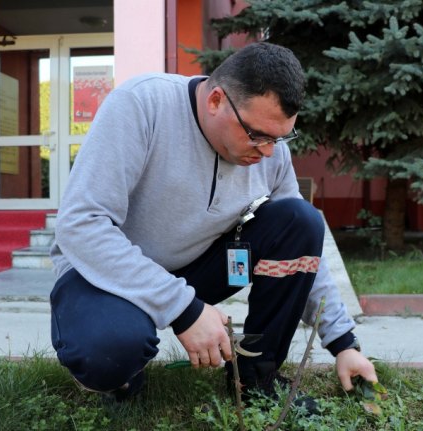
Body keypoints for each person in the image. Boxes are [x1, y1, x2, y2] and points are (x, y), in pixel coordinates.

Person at [49, 42, 377, 407]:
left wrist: (344, 344)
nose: (268, 151)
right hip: (106, 276)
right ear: (216, 100)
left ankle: (257, 380)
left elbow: (304, 246)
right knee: (109, 350)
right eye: (257, 134)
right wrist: (184, 309)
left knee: (302, 221)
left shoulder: (271, 154)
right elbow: (81, 223)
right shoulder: (141, 105)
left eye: (280, 137)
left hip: (196, 266)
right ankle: (121, 376)